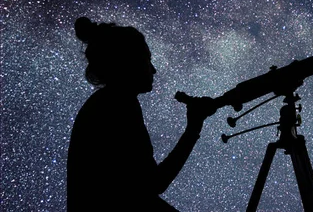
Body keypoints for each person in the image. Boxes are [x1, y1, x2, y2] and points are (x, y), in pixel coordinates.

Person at [67, 17, 218, 211]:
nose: (153, 70)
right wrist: (193, 128)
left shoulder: (106, 103)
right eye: (147, 60)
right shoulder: (118, 105)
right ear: (129, 62)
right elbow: (154, 183)